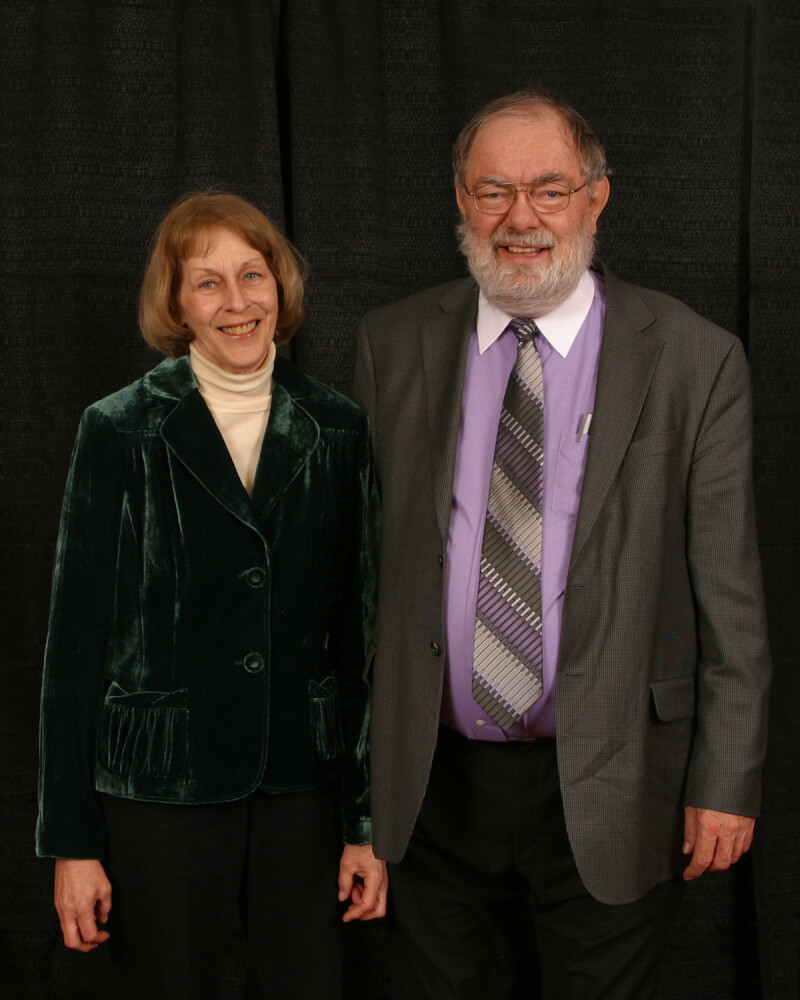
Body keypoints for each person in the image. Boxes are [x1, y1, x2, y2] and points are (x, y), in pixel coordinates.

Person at [353, 90, 771, 999]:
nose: (521, 218)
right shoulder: (392, 345)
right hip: (430, 779)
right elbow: (362, 578)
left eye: (549, 189)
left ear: (597, 197)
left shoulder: (696, 359)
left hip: (618, 774)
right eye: (494, 190)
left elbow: (732, 604)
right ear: (462, 202)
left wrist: (729, 779)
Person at [37, 191, 387, 1000]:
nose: (237, 303)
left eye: (253, 275)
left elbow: (362, 633)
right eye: (208, 283)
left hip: (303, 781)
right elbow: (72, 649)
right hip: (161, 784)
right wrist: (72, 844)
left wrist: (365, 827)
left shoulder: (338, 429)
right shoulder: (118, 430)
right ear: (176, 304)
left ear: (282, 288)